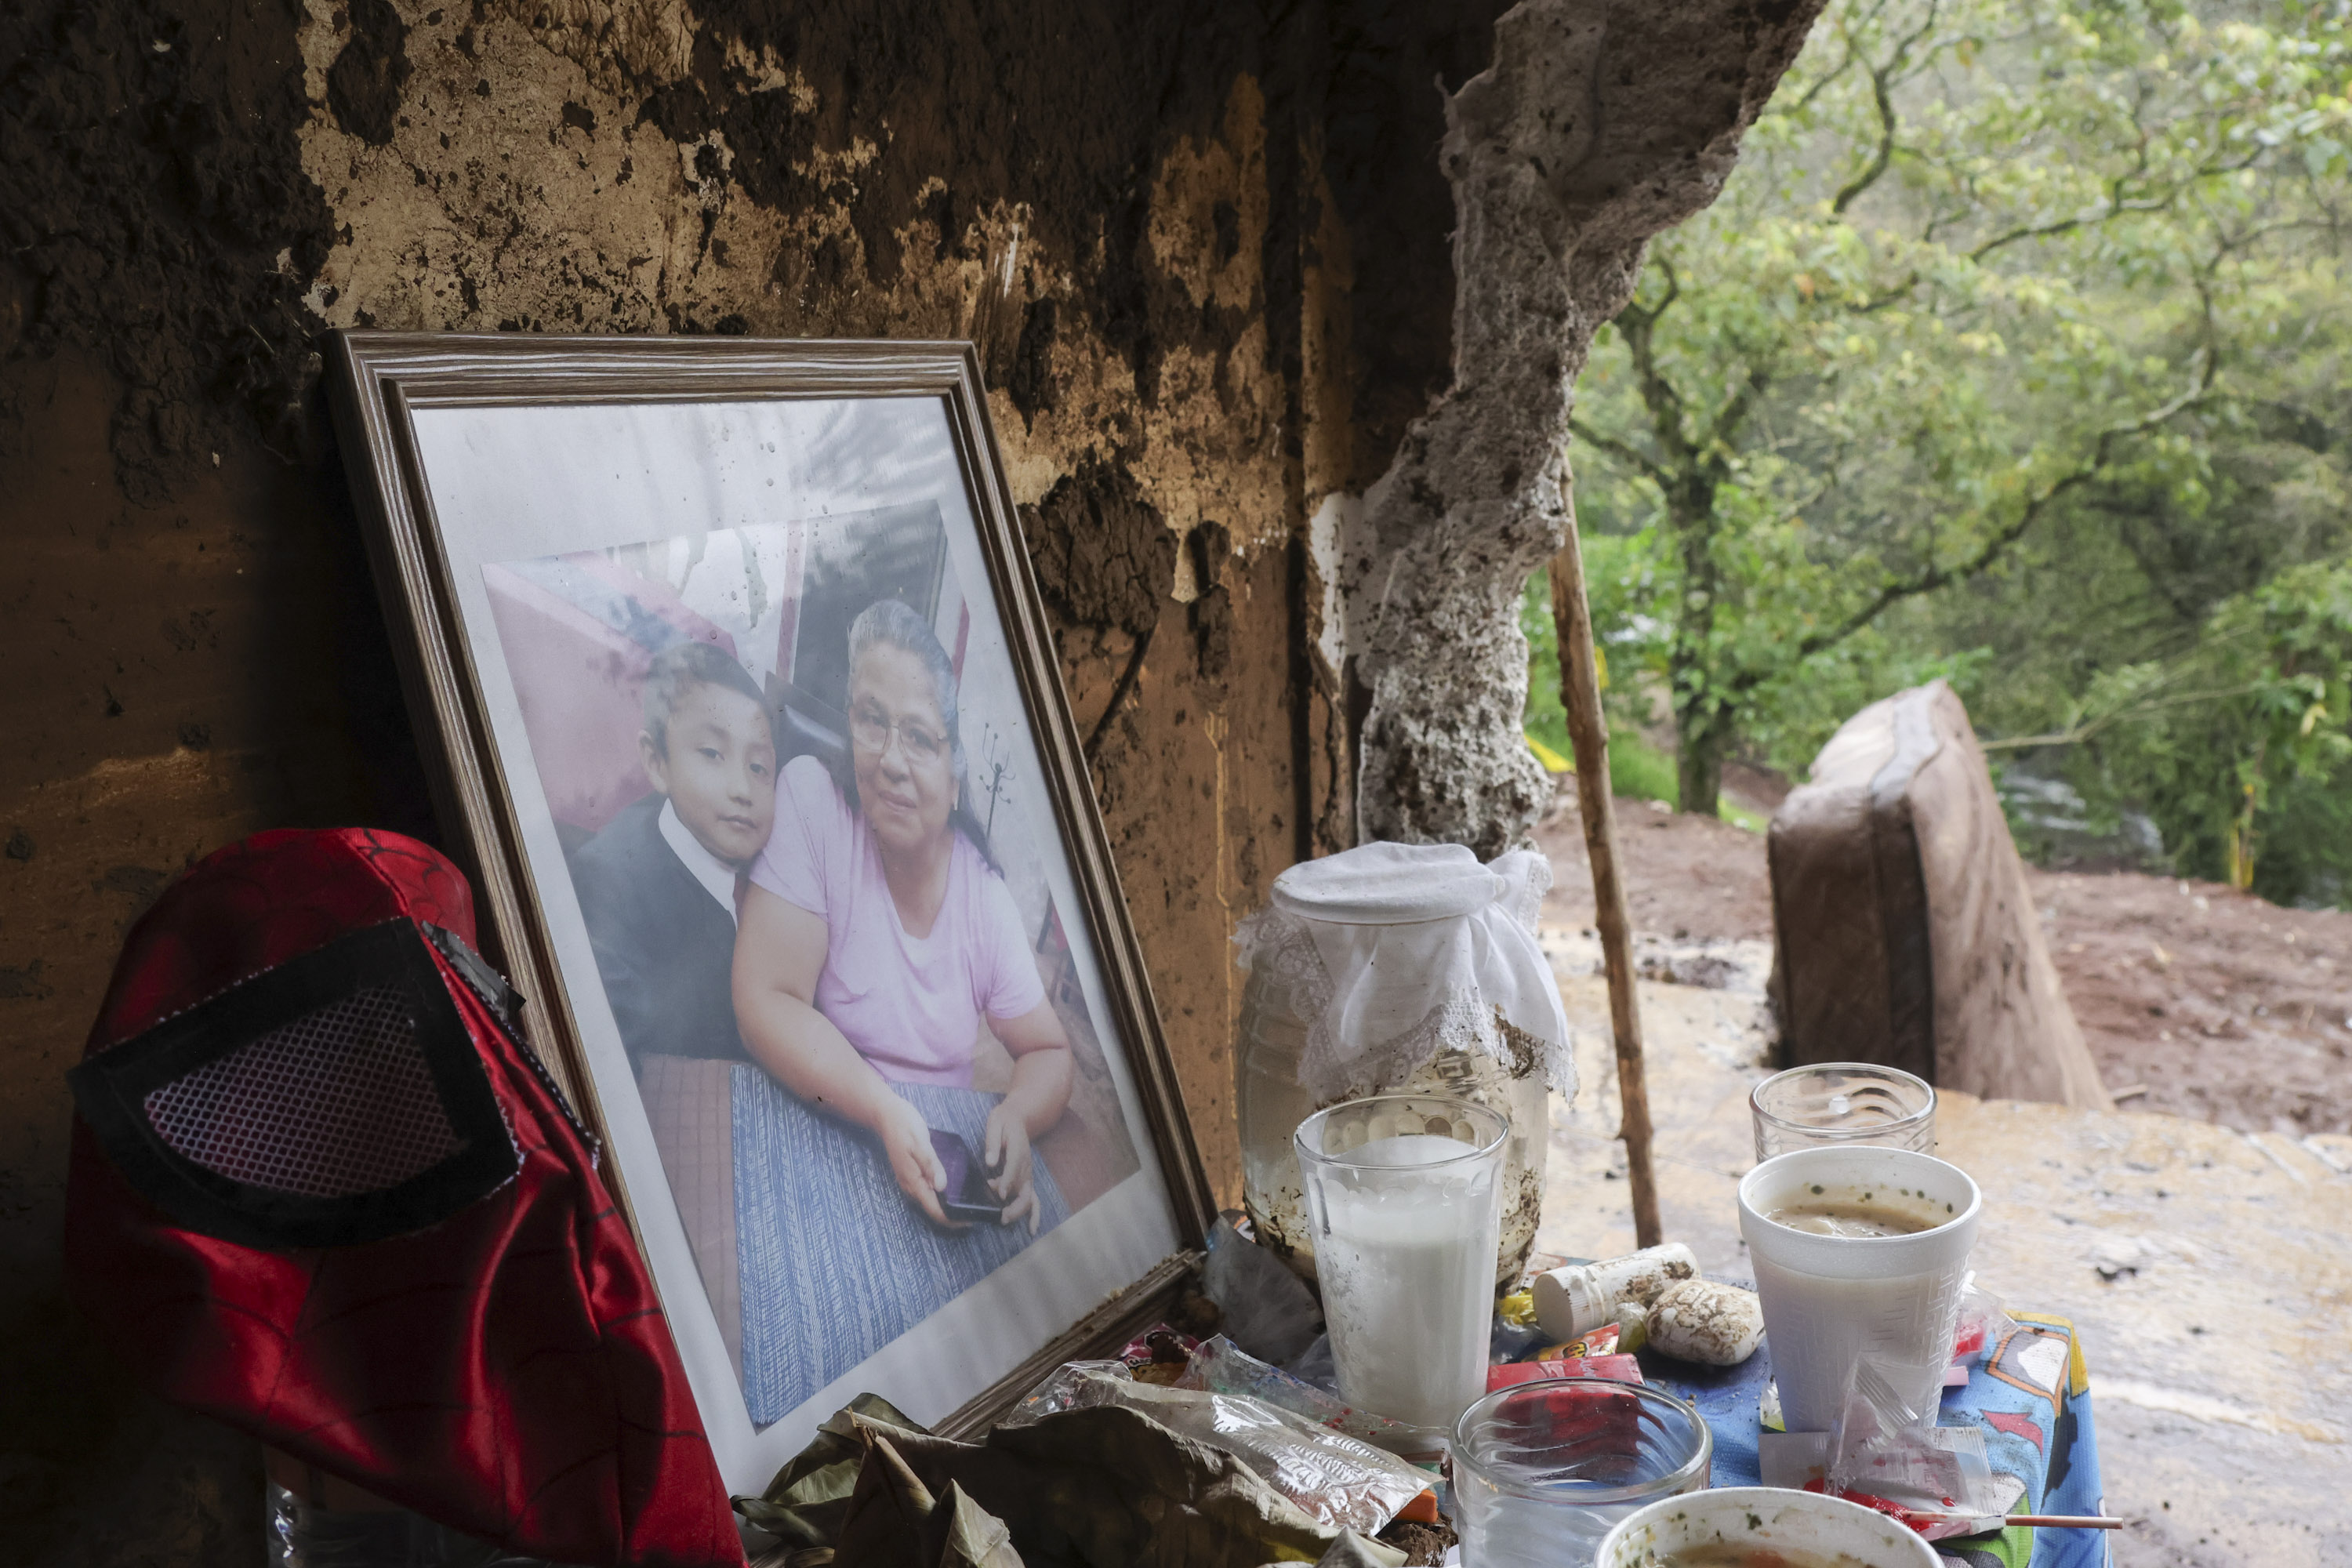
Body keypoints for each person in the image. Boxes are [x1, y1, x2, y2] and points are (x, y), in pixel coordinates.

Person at [733, 598, 1074, 1232]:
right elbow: (766, 1002)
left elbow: (1049, 1051)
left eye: (918, 737)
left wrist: (1017, 1116)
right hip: (818, 1122)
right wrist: (883, 1110)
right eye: (872, 721)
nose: (890, 759)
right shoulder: (815, 804)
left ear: (954, 778)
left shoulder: (983, 901)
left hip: (931, 1159)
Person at [570, 639, 776, 1067]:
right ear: (657, 762)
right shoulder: (609, 882)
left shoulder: (773, 868)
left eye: (759, 767)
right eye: (712, 754)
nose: (742, 789)